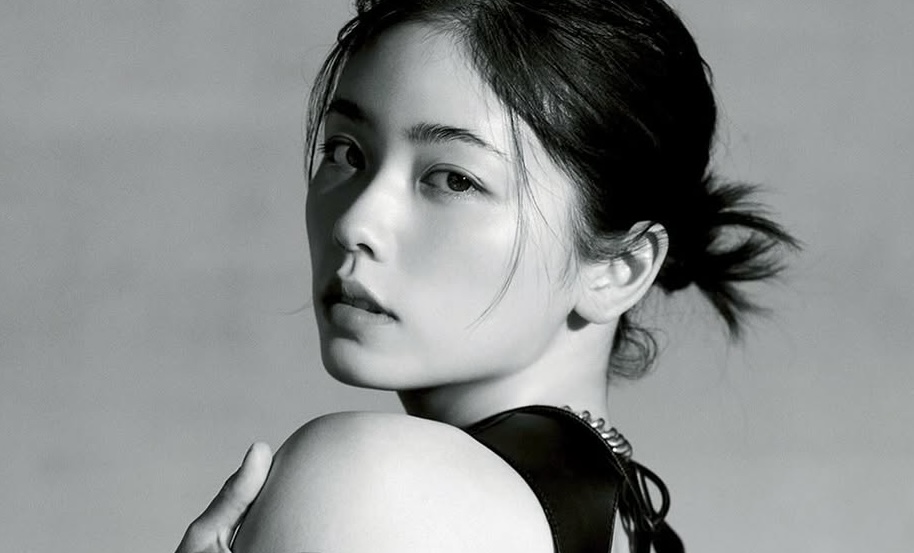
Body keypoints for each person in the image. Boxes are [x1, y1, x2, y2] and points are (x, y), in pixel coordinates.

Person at [176, 0, 797, 551]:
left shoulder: (372, 486)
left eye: (454, 179)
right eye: (347, 153)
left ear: (618, 268)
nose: (355, 223)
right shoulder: (630, 524)